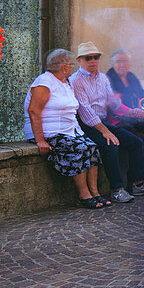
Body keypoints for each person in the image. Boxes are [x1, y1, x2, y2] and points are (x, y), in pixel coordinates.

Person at [70, 42, 144, 204]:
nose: (92, 61)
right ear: (80, 60)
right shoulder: (76, 80)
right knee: (109, 145)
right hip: (87, 125)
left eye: (95, 57)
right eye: (88, 58)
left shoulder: (102, 78)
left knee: (136, 141)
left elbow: (114, 104)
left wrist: (139, 113)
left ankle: (138, 183)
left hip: (102, 122)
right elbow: (85, 111)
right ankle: (116, 189)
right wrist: (105, 131)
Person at [24, 49, 109, 209]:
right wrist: (40, 140)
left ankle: (95, 193)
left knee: (92, 148)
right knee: (80, 148)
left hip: (70, 131)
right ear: (63, 67)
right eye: (70, 65)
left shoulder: (64, 82)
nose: (72, 68)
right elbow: (34, 111)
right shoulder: (44, 83)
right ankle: (84, 195)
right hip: (49, 133)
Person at [106, 49, 144, 187]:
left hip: (135, 119)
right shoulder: (109, 78)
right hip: (118, 121)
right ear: (113, 64)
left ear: (130, 63)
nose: (122, 65)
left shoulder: (131, 77)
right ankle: (136, 180)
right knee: (140, 139)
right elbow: (114, 106)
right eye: (118, 62)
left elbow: (142, 96)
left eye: (125, 61)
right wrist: (138, 114)